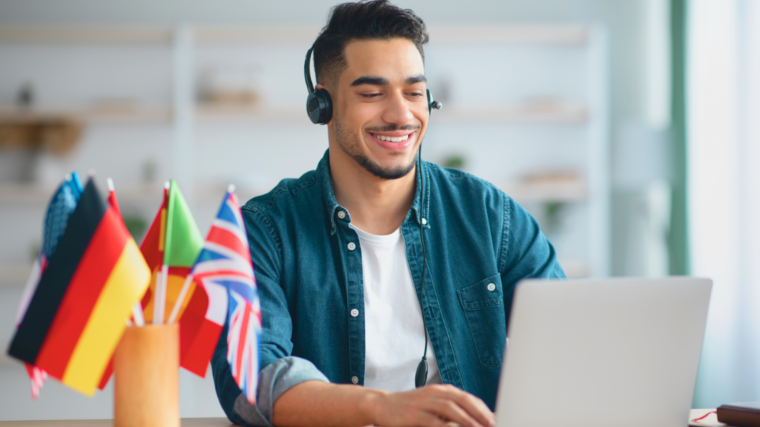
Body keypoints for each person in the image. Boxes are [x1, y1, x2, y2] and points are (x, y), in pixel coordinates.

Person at [211, 1, 565, 426]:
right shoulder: (265, 229)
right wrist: (380, 408)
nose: (401, 115)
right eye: (372, 93)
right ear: (322, 106)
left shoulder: (491, 217)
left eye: (414, 92)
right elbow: (253, 380)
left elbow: (567, 345)